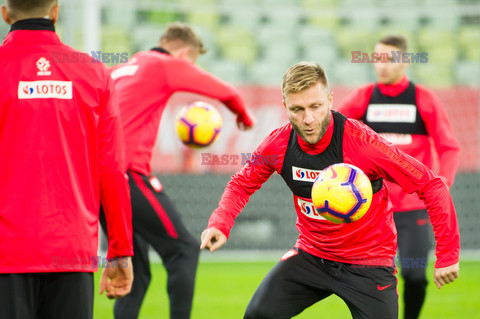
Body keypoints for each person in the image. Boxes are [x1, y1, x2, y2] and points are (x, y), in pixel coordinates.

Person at [200, 62, 460, 319]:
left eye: (315, 107)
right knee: (257, 315)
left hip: (368, 265)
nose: (308, 119)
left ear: (330, 99)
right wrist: (220, 223)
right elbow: (241, 183)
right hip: (312, 256)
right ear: (285, 107)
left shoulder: (364, 144)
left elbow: (431, 185)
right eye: (297, 109)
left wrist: (447, 254)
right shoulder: (276, 144)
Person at [100, 21, 255, 319]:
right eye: (192, 63)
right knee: (183, 249)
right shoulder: (163, 64)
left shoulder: (120, 69)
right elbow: (227, 92)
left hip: (97, 179)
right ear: (184, 53)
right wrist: (244, 116)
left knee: (137, 271)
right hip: (126, 174)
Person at [0, 0, 134, 318]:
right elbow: (114, 171)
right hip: (71, 253)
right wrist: (120, 251)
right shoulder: (95, 73)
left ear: (5, 13)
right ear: (56, 11)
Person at [336, 35, 460, 319]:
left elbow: (448, 147)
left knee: (415, 274)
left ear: (404, 60)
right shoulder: (363, 97)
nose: (382, 65)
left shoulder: (424, 100)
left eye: (389, 59)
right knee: (372, 276)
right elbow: (335, 130)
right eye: (377, 59)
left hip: (413, 208)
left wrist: (443, 185)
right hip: (373, 207)